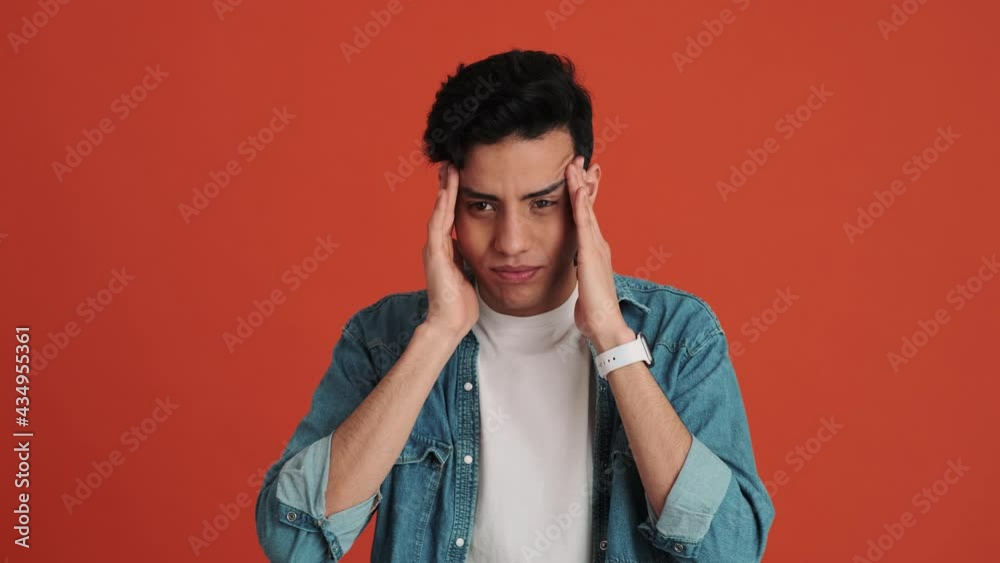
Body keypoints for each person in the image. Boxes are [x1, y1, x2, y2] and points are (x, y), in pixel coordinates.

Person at [255, 49, 774, 562]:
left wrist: (612, 338)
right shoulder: (382, 340)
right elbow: (292, 543)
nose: (511, 242)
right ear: (448, 203)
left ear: (586, 192)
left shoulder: (679, 335)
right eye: (482, 205)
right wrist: (437, 335)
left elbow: (729, 552)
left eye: (542, 203)